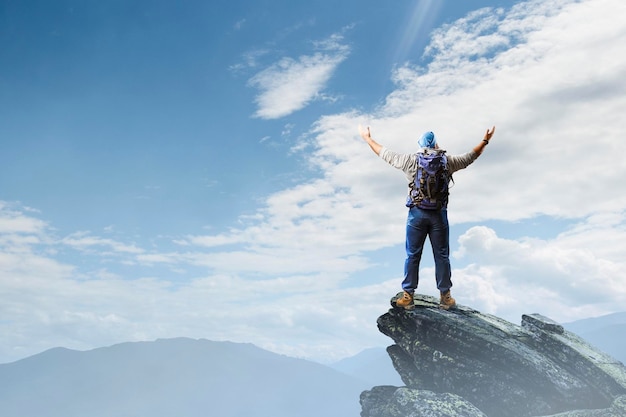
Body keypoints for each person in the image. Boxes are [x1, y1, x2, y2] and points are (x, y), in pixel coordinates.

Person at [358, 125, 496, 310]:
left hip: (417, 214)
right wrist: (485, 140)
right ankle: (445, 297)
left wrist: (367, 139)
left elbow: (384, 153)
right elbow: (471, 156)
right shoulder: (448, 162)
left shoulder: (409, 161)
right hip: (439, 215)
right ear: (436, 144)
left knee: (413, 255)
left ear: (420, 145)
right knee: (441, 255)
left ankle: (408, 296)